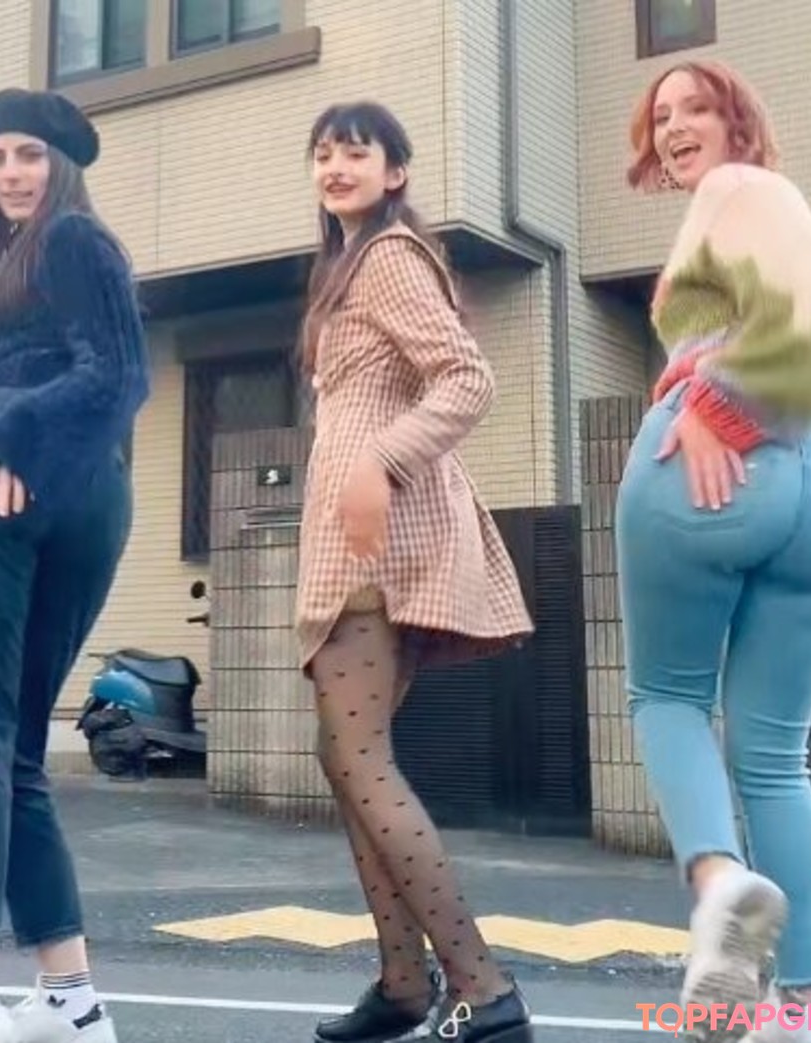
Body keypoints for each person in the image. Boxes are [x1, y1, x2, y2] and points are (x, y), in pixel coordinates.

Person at [616, 60, 811, 1043]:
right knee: (773, 755)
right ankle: (806, 1011)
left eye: (696, 107)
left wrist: (716, 406)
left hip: (717, 457)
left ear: (739, 121)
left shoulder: (738, 188)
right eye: (661, 115)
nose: (674, 126)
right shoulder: (765, 205)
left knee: (667, 697)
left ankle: (720, 884)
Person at [295, 101, 535, 1043]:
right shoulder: (346, 266)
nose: (336, 165)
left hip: (378, 539)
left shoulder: (389, 256)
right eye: (323, 153)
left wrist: (381, 460)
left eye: (356, 152)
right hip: (356, 532)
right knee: (344, 755)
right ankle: (402, 981)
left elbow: (467, 377)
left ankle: (481, 983)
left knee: (358, 754)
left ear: (395, 171)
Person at [0, 88, 150, 1043]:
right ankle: (70, 999)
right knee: (13, 745)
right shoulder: (20, 259)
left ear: (65, 163)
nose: (12, 173)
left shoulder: (70, 239)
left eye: (30, 154)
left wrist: (12, 433)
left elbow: (119, 373)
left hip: (2, 476)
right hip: (91, 486)